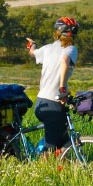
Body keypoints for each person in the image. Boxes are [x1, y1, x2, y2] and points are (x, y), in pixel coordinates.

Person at [26, 17, 79, 152]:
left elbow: (32, 53)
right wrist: (62, 88)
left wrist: (32, 45)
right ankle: (41, 166)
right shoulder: (71, 49)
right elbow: (65, 61)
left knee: (63, 140)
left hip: (41, 102)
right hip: (52, 102)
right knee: (52, 146)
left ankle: (65, 165)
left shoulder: (48, 48)